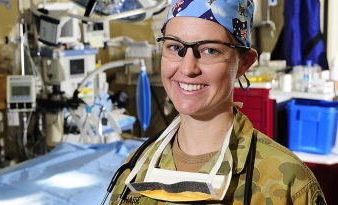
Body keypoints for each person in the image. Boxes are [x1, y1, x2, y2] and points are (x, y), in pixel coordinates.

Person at [108, 0, 326, 204]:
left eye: (210, 50)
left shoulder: (287, 181)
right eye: (175, 47)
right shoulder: (136, 167)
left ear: (244, 63)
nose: (187, 68)